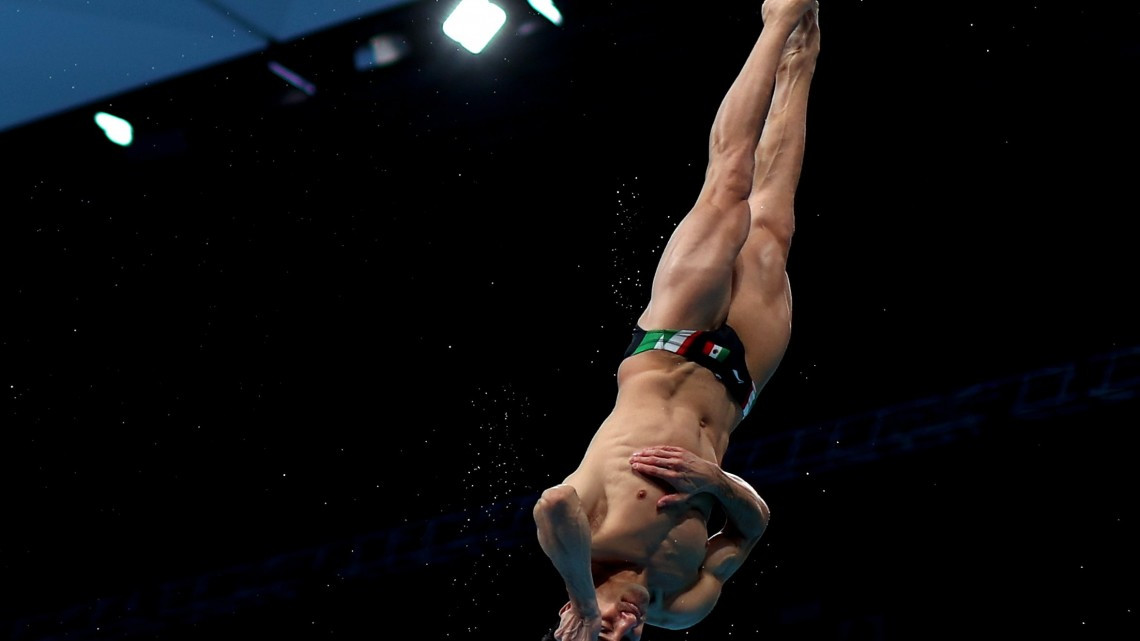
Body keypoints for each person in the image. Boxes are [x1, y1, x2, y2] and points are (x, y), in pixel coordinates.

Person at [531, 1, 821, 639]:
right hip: (738, 383)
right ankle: (803, 53)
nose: (626, 629)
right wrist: (715, 480)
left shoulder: (578, 548)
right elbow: (753, 525)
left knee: (730, 186)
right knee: (774, 220)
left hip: (670, 344)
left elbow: (552, 504)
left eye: (604, 634)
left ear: (569, 618)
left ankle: (777, 19)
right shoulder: (682, 604)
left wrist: (584, 598)